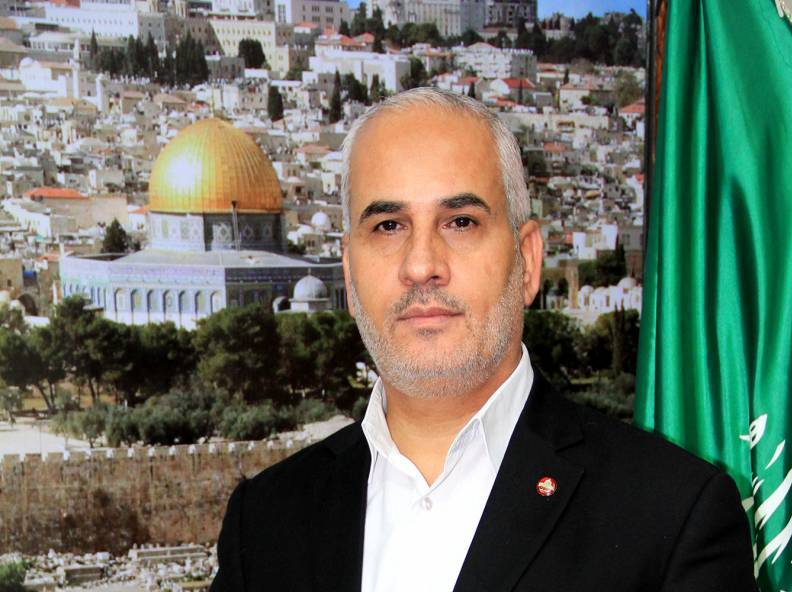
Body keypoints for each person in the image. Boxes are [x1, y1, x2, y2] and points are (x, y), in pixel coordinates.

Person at [210, 88, 756, 592]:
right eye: (388, 226)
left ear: (528, 261)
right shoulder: (265, 522)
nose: (421, 265)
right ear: (350, 278)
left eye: (461, 222)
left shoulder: (669, 518)